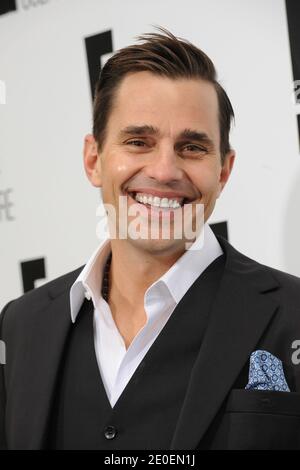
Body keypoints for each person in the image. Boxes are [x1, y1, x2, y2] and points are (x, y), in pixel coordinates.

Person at [1, 27, 300, 450]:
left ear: (223, 171)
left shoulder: (293, 314)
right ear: (94, 160)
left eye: (192, 147)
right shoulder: (21, 323)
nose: (164, 171)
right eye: (138, 142)